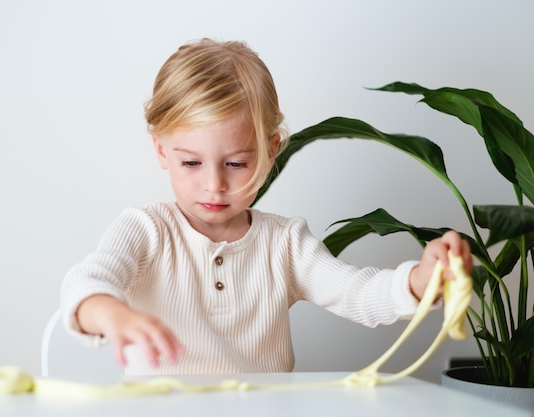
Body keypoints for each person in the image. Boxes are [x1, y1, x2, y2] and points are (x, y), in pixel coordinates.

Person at [60, 38, 473, 376]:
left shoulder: (285, 242)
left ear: (271, 150)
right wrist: (112, 315)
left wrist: (422, 279)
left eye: (237, 163)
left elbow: (358, 293)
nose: (215, 184)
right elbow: (86, 283)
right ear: (161, 150)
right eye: (191, 163)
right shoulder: (145, 230)